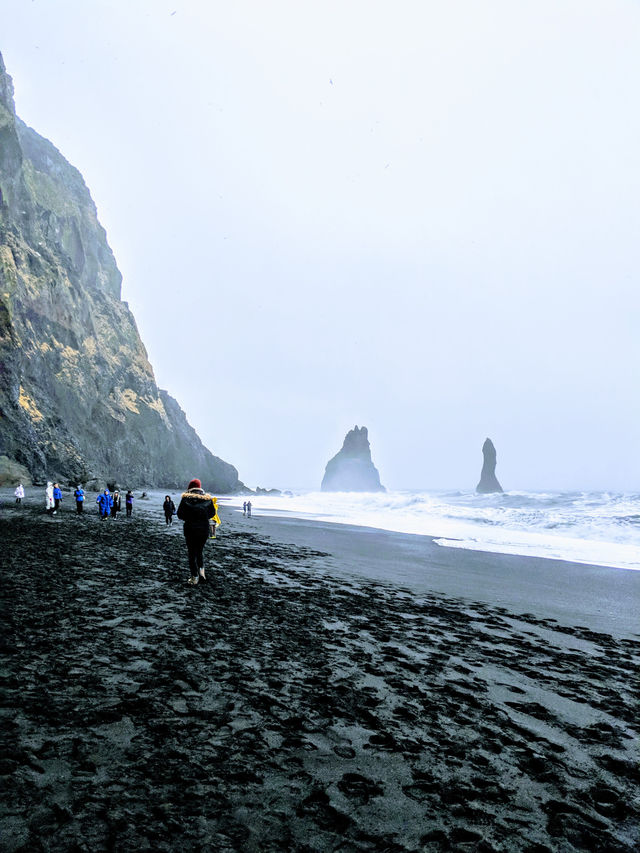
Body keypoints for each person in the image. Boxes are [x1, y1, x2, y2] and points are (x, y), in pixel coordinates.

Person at [176, 478, 216, 585]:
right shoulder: (208, 499)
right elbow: (212, 513)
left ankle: (194, 577)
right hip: (204, 529)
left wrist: (189, 517)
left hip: (190, 529)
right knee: (199, 551)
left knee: (191, 553)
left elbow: (180, 514)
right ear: (200, 487)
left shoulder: (185, 499)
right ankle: (202, 573)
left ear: (190, 488)